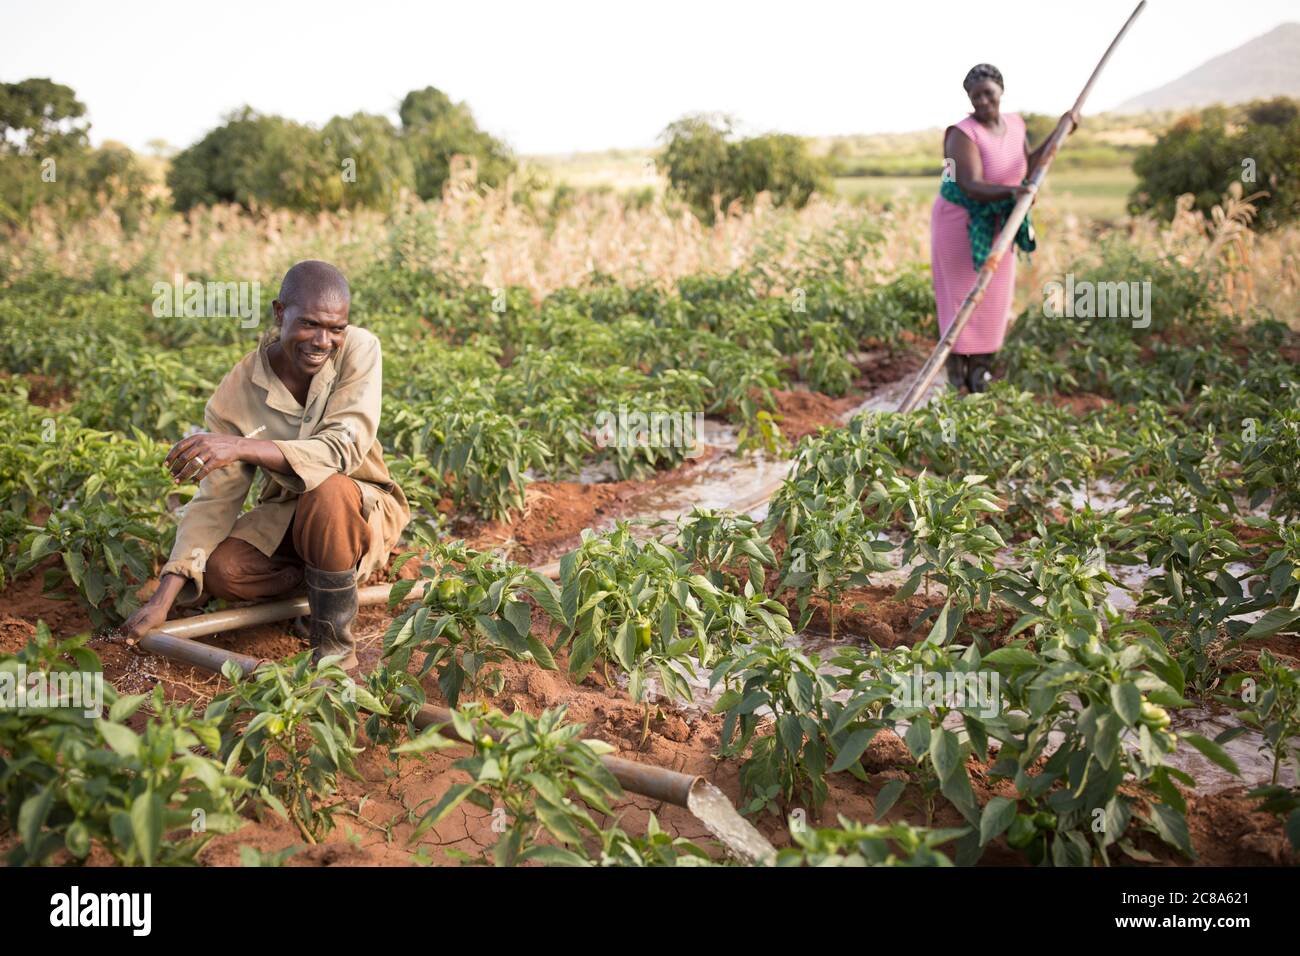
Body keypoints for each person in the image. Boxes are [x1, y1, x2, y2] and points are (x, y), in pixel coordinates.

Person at [123, 260, 411, 670]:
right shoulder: (239, 389)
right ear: (280, 313)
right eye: (309, 324)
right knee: (224, 570)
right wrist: (163, 598)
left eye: (335, 328)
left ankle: (334, 654)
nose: (323, 341)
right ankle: (319, 584)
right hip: (287, 515)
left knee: (326, 490)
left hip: (358, 505)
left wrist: (242, 447)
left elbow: (339, 451)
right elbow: (214, 502)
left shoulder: (360, 350)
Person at [931, 63, 1076, 392]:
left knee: (993, 297)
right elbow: (968, 184)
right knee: (960, 296)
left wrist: (1061, 130)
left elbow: (1029, 165)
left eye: (988, 93)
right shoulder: (960, 133)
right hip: (960, 221)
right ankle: (956, 374)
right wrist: (1015, 193)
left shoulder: (1015, 124)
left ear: (1001, 91)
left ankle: (980, 372)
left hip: (1001, 220)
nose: (982, 101)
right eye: (975, 96)